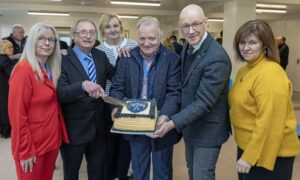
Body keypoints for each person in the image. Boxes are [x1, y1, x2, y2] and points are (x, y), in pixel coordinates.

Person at [149, 4, 232, 180]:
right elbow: (184, 86)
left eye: (196, 24)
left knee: (202, 175)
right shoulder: (187, 47)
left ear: (206, 23)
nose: (191, 30)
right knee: (192, 171)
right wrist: (166, 115)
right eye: (186, 26)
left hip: (208, 130)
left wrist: (171, 124)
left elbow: (204, 103)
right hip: (191, 126)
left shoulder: (217, 57)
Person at [110, 16, 182, 180]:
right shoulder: (126, 57)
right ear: (137, 38)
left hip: (161, 123)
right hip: (135, 123)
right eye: (142, 38)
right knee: (138, 168)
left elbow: (174, 92)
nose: (147, 43)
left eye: (152, 38)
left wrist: (164, 117)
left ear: (160, 38)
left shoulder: (172, 59)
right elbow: (117, 87)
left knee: (162, 171)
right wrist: (115, 108)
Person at [229, 20, 300, 180]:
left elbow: (270, 121)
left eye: (252, 42)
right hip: (249, 146)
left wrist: (250, 156)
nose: (245, 48)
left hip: (270, 152)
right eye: (242, 42)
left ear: (265, 45)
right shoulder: (246, 69)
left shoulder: (270, 73)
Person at [8, 23, 69, 180]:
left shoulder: (51, 68)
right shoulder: (24, 70)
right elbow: (17, 115)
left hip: (50, 141)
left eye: (51, 39)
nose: (47, 43)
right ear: (32, 42)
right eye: (41, 38)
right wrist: (25, 150)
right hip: (32, 145)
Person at [57, 19, 115, 180]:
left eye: (91, 32)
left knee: (98, 172)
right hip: (74, 129)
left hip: (99, 126)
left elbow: (116, 76)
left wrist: (126, 56)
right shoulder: (62, 60)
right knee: (71, 173)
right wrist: (82, 86)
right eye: (83, 32)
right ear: (74, 36)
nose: (88, 36)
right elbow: (60, 93)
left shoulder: (100, 55)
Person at [96, 12, 137, 180]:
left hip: (130, 102)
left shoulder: (134, 45)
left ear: (121, 27)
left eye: (115, 25)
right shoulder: (98, 50)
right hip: (107, 103)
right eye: (108, 26)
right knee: (109, 145)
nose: (112, 30)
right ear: (102, 30)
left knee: (127, 144)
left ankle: (122, 174)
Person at [0, 40, 16, 138]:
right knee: (5, 109)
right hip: (4, 89)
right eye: (10, 47)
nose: (12, 49)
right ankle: (6, 132)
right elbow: (12, 73)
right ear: (4, 49)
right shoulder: (4, 59)